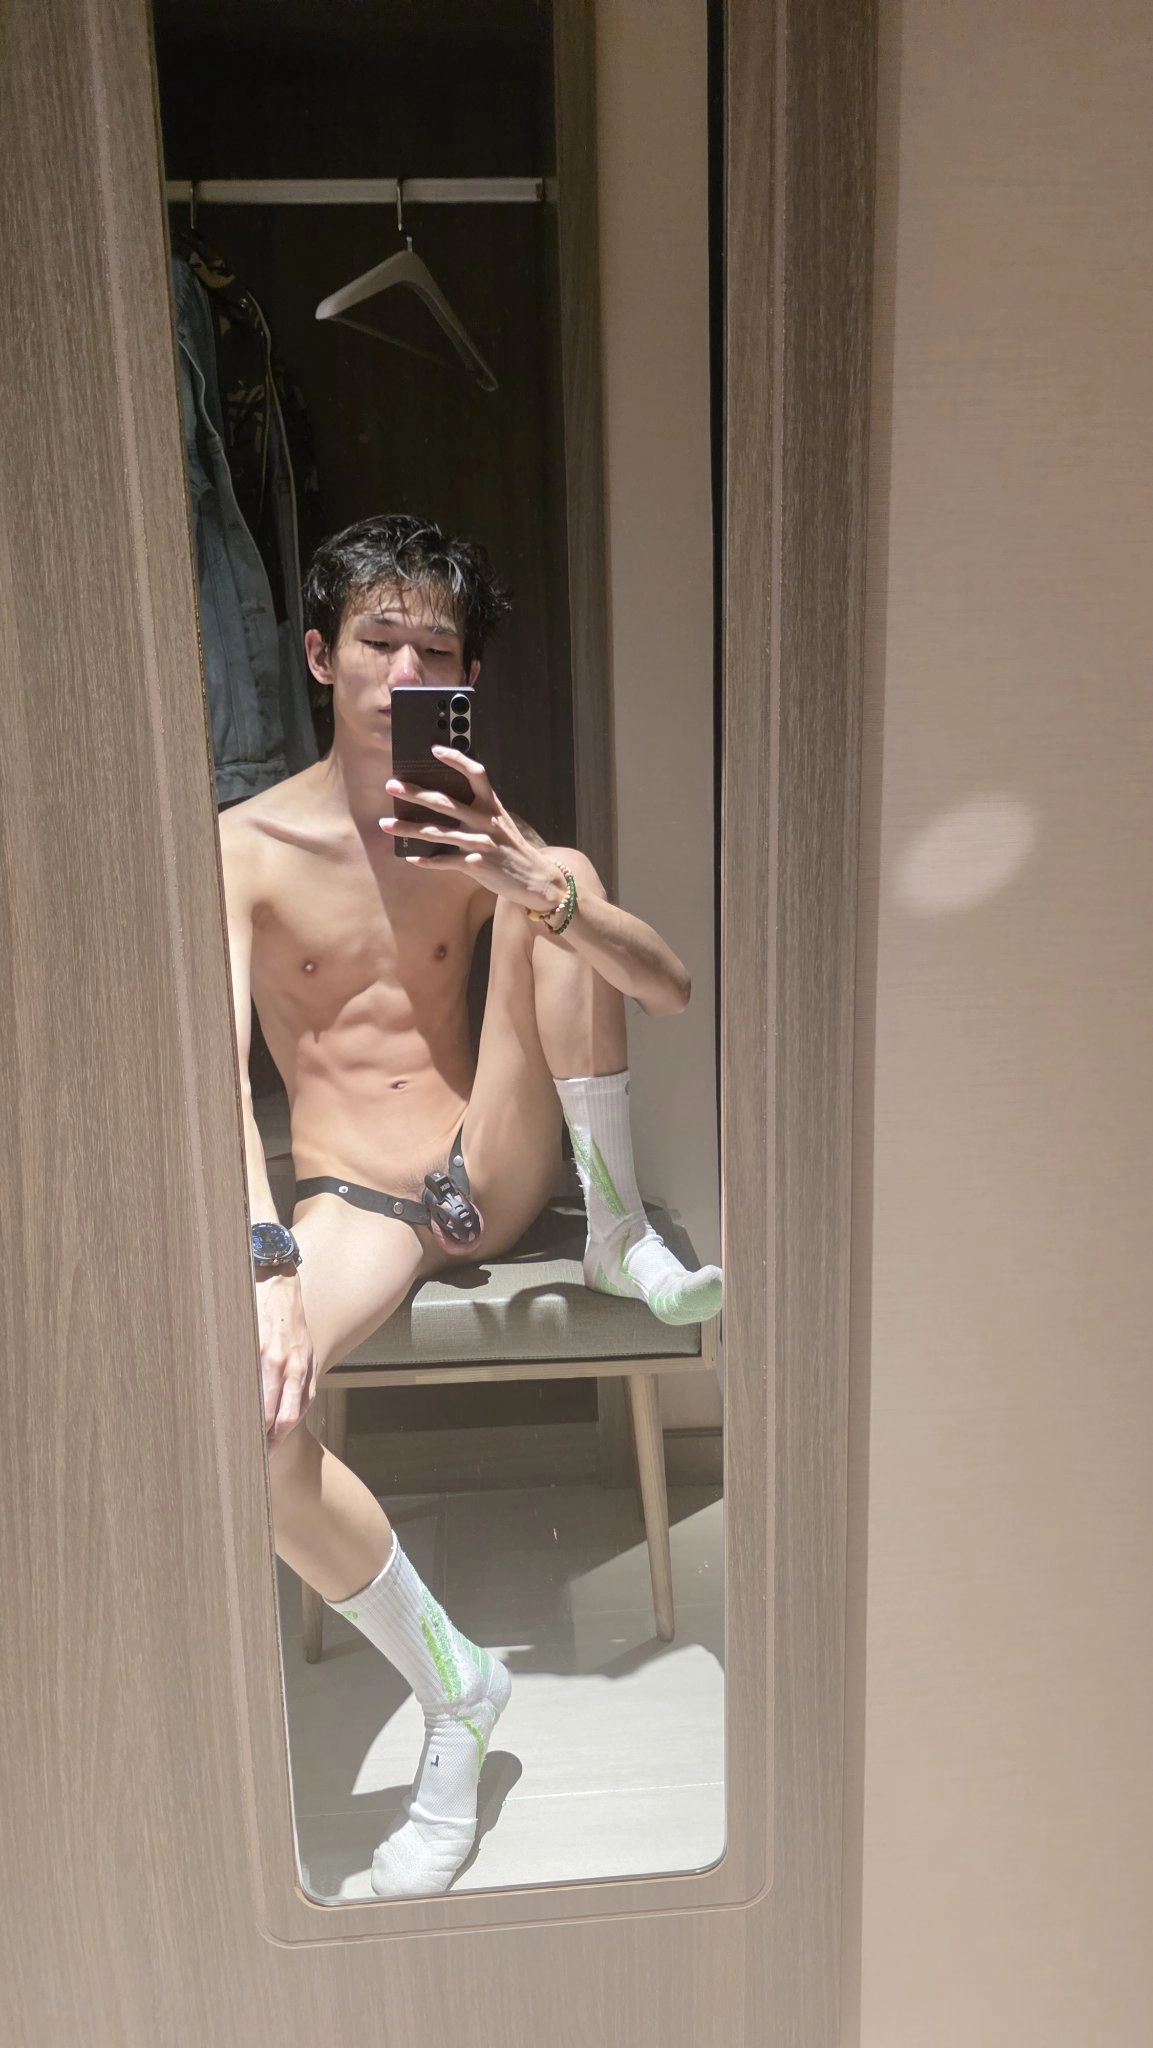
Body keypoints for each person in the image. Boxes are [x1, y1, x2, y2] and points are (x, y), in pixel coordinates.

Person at [220, 512, 722, 1898]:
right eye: (378, 641)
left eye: (435, 651)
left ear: (467, 678)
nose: (405, 671)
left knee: (570, 882)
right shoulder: (243, 848)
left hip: (485, 1166)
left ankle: (616, 1227)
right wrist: (268, 1267)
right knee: (252, 1429)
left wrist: (527, 887)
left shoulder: (481, 835)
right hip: (351, 1199)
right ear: (318, 655)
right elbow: (205, 1077)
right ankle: (456, 1687)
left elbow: (667, 989)